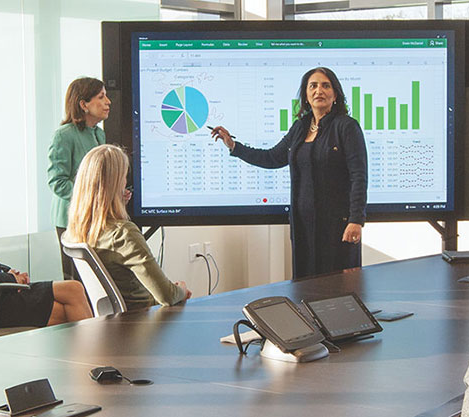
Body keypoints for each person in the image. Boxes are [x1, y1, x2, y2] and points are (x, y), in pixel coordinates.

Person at [211, 67, 367, 279]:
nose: (318, 90)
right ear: (305, 94)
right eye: (313, 86)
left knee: (338, 291)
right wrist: (233, 146)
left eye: (325, 85)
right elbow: (272, 157)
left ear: (335, 94)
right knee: (306, 289)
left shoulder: (346, 127)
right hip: (303, 227)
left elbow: (359, 175)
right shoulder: (300, 127)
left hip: (337, 228)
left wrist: (356, 220)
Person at [0, 159, 93, 329]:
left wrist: (7, 270)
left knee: (74, 290)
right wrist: (10, 279)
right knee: (69, 303)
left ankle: (94, 354)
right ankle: (97, 353)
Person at [64, 144, 192, 310]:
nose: (126, 182)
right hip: (142, 321)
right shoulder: (123, 234)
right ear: (115, 184)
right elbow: (167, 295)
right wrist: (181, 289)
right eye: (124, 177)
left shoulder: (75, 231)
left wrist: (117, 205)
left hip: (114, 324)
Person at [47, 77, 112, 281]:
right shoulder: (64, 135)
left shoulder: (99, 134)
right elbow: (57, 181)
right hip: (72, 222)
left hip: (95, 220)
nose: (108, 102)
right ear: (83, 105)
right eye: (101, 97)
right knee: (78, 283)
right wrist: (89, 199)